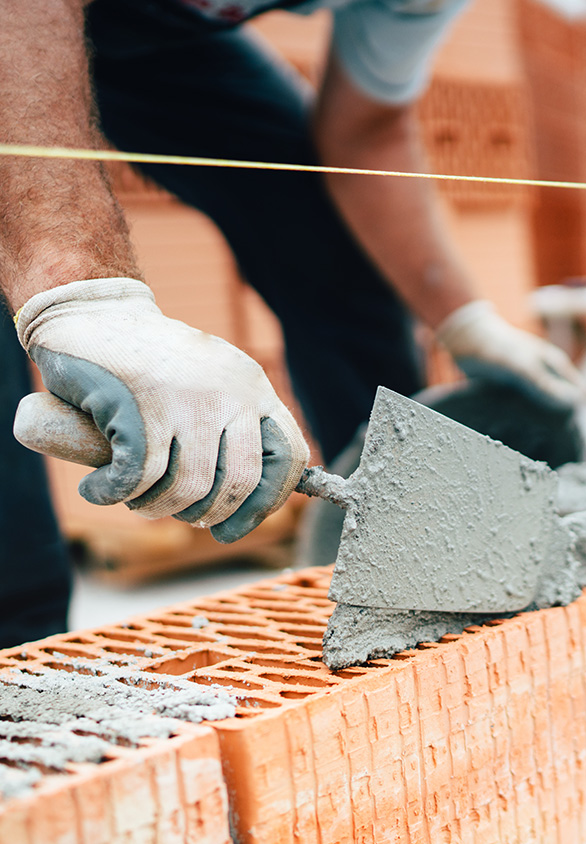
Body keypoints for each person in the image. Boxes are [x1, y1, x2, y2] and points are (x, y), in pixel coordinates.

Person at [0, 0, 583, 647]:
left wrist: (464, 320)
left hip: (159, 34)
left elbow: (367, 130)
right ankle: (18, 631)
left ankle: (399, 556)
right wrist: (83, 293)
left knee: (325, 222)